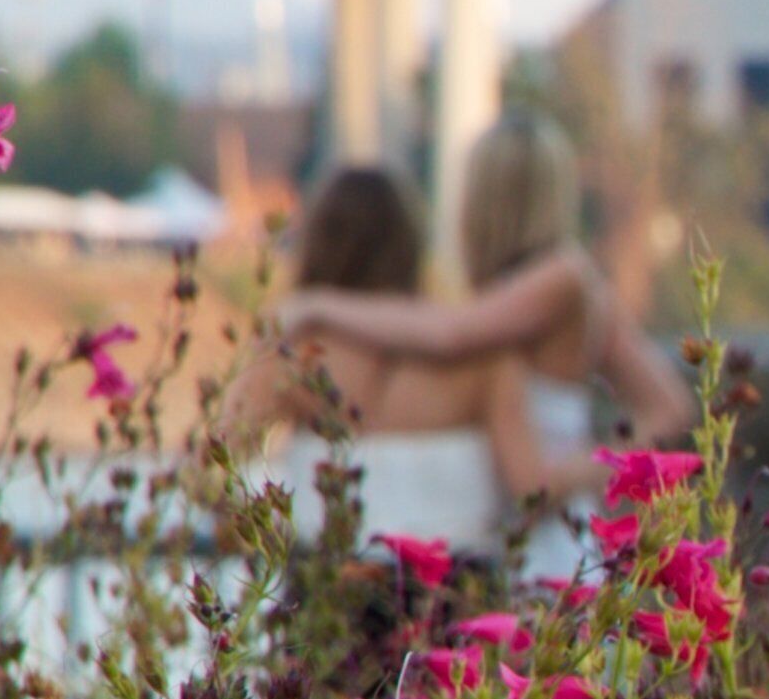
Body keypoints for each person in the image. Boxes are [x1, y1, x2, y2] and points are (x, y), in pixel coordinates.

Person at [279, 117, 696, 461]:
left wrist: (318, 305)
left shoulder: (562, 276)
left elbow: (449, 335)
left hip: (538, 532)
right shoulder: (547, 289)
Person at [229, 167, 559, 551]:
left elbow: (213, 462)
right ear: (411, 243)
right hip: (455, 595)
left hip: (322, 595)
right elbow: (530, 486)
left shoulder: (294, 353)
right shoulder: (481, 355)